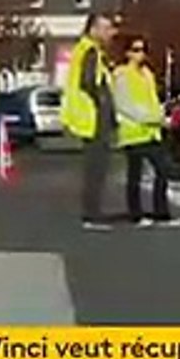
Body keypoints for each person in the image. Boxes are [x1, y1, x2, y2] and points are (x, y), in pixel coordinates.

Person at [113, 35, 180, 228]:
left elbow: (151, 101)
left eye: (143, 50)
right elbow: (127, 105)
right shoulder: (121, 75)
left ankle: (161, 212)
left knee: (162, 169)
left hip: (151, 131)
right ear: (127, 53)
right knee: (135, 174)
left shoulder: (147, 74)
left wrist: (163, 116)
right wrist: (158, 120)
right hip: (133, 131)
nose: (140, 54)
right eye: (135, 50)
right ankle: (136, 214)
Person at [61, 12, 120, 229]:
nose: (110, 33)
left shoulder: (85, 50)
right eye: (106, 28)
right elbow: (90, 82)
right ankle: (92, 214)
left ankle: (92, 211)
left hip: (89, 115)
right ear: (93, 29)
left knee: (95, 166)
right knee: (96, 167)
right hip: (93, 116)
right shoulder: (90, 51)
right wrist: (103, 103)